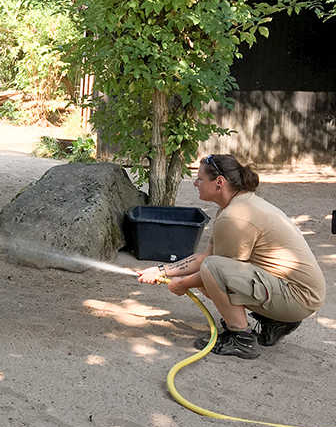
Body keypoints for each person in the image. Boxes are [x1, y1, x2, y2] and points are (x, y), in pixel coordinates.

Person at [138, 154, 326, 359]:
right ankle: (276, 321)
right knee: (211, 270)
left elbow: (214, 269)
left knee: (212, 272)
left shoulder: (235, 216)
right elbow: (206, 256)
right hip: (297, 293)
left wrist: (181, 284)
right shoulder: (235, 206)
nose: (195, 183)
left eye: (200, 179)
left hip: (298, 297)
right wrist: (161, 270)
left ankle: (242, 339)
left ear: (219, 182)